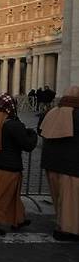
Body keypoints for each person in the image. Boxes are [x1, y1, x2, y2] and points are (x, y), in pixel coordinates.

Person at [0, 94, 37, 235]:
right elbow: (28, 145)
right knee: (1, 198)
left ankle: (17, 219)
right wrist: (32, 134)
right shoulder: (13, 124)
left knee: (8, 196)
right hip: (7, 168)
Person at [39, 86, 79, 242]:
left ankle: (60, 224)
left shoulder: (52, 112)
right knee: (71, 201)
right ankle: (67, 229)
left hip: (51, 164)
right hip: (71, 167)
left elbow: (40, 131)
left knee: (59, 198)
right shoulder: (76, 115)